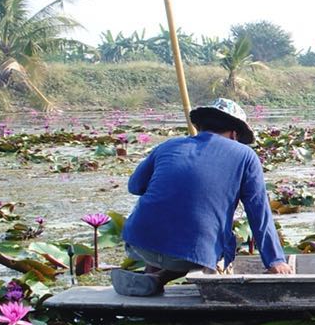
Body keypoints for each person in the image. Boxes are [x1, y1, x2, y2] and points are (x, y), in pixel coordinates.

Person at [110, 98, 293, 296]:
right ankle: (161, 278)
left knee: (166, 226)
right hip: (191, 254)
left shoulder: (168, 146)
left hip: (139, 243)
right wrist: (275, 261)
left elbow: (135, 186)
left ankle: (151, 278)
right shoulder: (245, 155)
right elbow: (258, 213)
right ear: (234, 134)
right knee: (226, 242)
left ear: (200, 126)